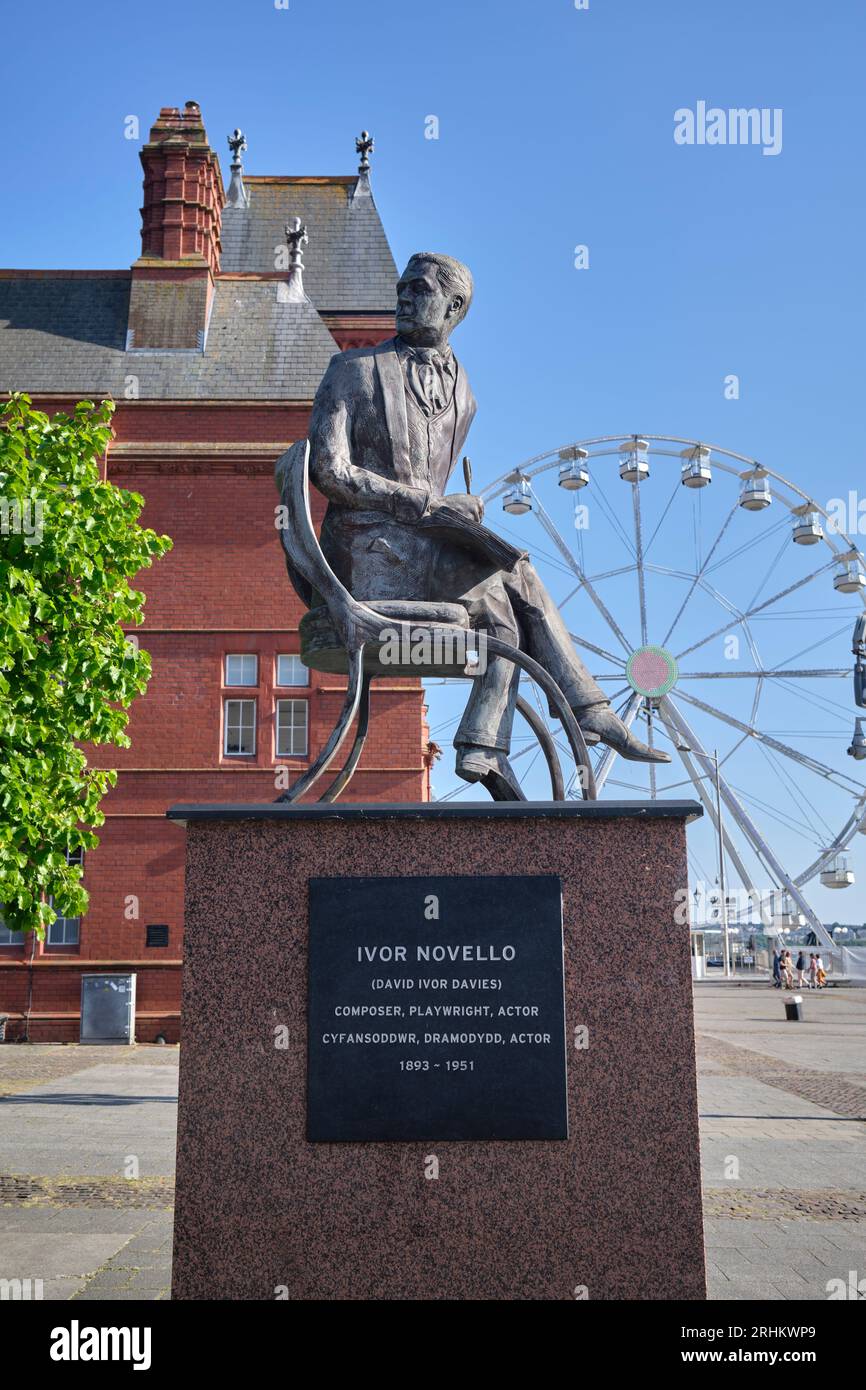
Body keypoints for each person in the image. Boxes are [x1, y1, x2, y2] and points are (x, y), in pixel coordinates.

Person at [305, 251, 670, 800]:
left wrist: (459, 507)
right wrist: (423, 504)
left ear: (453, 307)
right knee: (510, 588)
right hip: (367, 557)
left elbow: (427, 478)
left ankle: (488, 745)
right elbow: (328, 470)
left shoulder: (465, 394)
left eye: (418, 289)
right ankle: (572, 716)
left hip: (423, 550)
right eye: (402, 287)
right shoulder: (353, 371)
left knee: (508, 595)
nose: (403, 297)